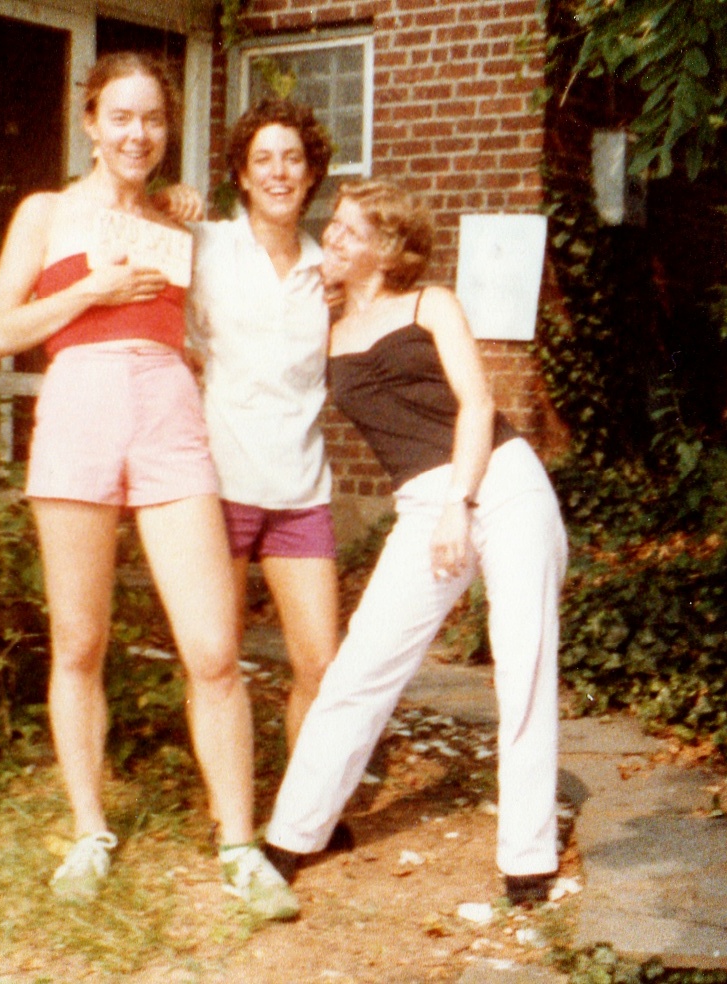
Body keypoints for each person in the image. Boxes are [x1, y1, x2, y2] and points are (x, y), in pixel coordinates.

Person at [0, 52, 298, 920]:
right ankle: (89, 832)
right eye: (120, 116)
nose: (137, 133)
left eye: (153, 119)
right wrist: (90, 289)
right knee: (78, 642)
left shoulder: (175, 220)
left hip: (167, 413)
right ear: (89, 121)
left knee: (214, 648)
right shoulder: (46, 212)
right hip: (78, 409)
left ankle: (240, 844)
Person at [261, 180, 568, 907]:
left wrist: (461, 504)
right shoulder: (324, 325)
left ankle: (527, 856)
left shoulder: (432, 305)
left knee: (522, 661)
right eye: (331, 225)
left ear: (388, 249)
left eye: (349, 230)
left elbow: (478, 404)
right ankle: (292, 835)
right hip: (421, 502)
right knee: (361, 664)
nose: (331, 237)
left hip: (501, 480)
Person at [186, 99, 341, 764]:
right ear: (242, 177)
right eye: (263, 160)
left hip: (302, 493)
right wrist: (170, 199)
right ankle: (228, 814)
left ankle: (304, 818)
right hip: (219, 487)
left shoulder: (330, 271)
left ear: (311, 175)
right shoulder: (207, 246)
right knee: (214, 660)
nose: (279, 173)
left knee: (321, 667)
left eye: (293, 159)